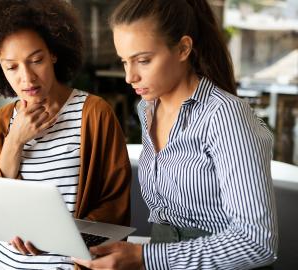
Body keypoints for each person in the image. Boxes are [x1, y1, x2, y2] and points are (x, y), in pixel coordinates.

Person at [73, 0, 278, 269]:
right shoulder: (148, 109)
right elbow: (169, 227)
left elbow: (257, 242)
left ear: (183, 48)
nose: (129, 76)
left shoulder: (224, 115)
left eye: (143, 60)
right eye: (124, 61)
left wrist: (144, 258)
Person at [0, 0, 131, 269]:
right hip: (2, 258)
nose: (27, 78)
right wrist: (14, 142)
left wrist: (56, 237)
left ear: (53, 53)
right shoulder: (1, 122)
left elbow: (115, 203)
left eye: (36, 60)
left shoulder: (94, 114)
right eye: (12, 67)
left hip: (65, 259)